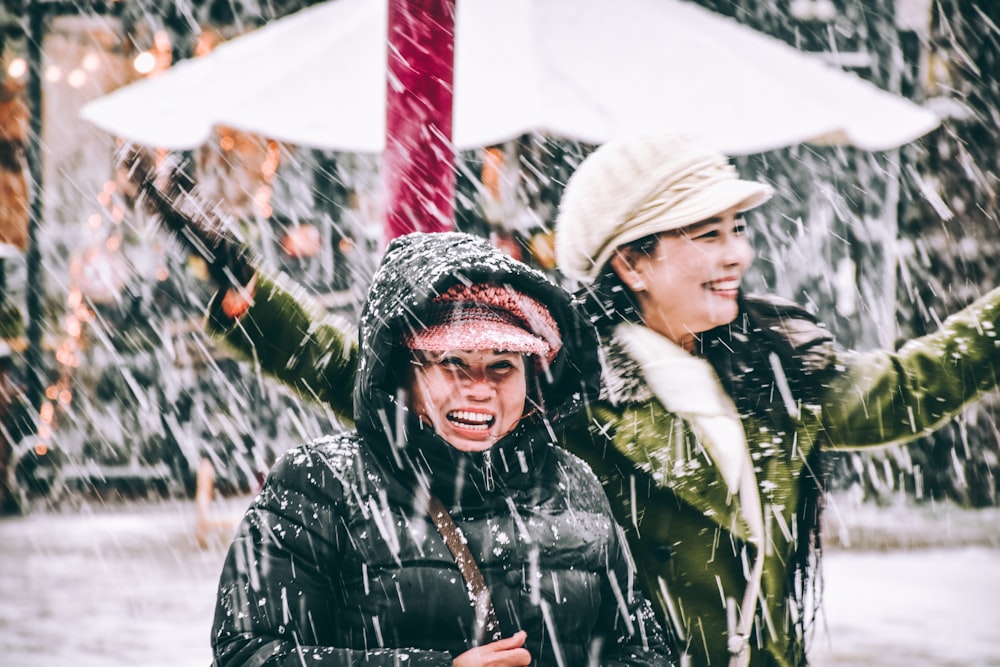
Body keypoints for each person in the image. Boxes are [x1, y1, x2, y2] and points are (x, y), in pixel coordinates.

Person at [144, 134, 1000, 667]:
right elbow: (380, 378)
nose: (737, 253)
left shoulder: (777, 371)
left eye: (739, 230)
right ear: (632, 262)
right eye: (708, 234)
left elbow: (912, 386)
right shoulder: (566, 383)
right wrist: (246, 290)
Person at [209, 232, 675, 666]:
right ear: (401, 372)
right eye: (452, 362)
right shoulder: (319, 484)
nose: (479, 388)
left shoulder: (574, 485)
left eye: (501, 366)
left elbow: (644, 649)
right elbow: (248, 652)